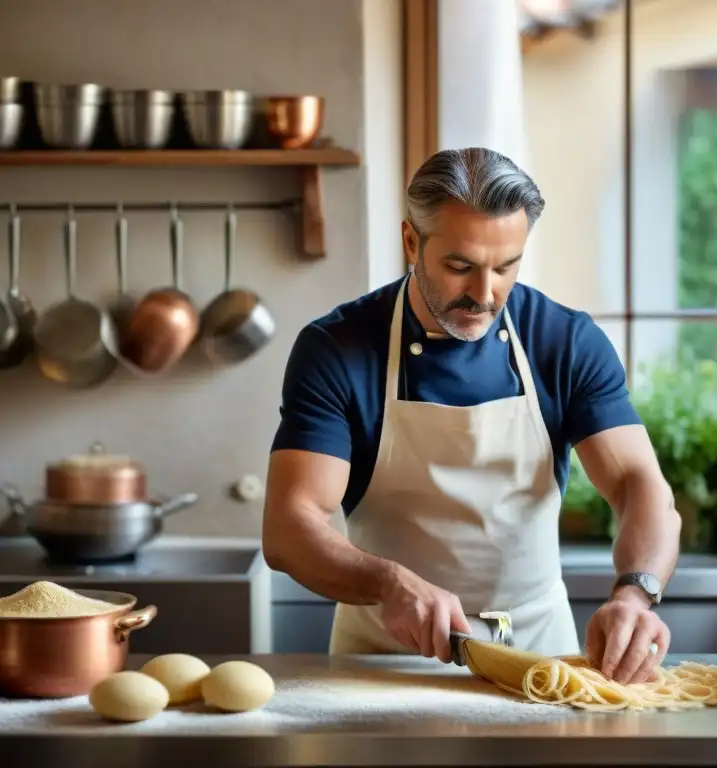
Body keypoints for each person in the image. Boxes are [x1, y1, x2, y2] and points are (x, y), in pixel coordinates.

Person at [262, 147, 681, 685]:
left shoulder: (566, 342)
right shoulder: (337, 349)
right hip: (382, 665)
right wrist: (390, 583)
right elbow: (290, 526)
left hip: (543, 661)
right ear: (412, 242)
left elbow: (636, 483)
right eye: (460, 267)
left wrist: (636, 593)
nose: (485, 295)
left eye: (505, 267)